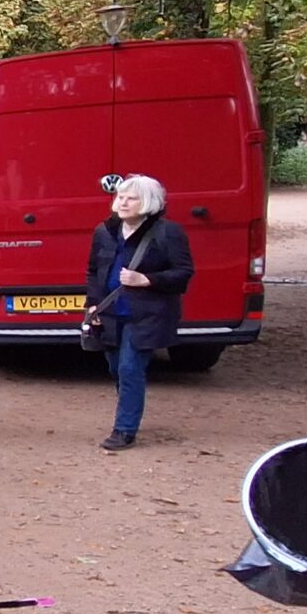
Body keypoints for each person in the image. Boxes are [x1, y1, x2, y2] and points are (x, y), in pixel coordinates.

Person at [84, 174, 194, 452]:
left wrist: (147, 279)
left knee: (130, 368)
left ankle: (124, 430)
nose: (122, 203)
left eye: (130, 198)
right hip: (110, 314)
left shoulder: (168, 233)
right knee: (115, 369)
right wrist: (93, 304)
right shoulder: (104, 231)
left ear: (147, 202)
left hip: (147, 314)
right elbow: (93, 271)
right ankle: (129, 410)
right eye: (120, 197)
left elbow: (183, 273)